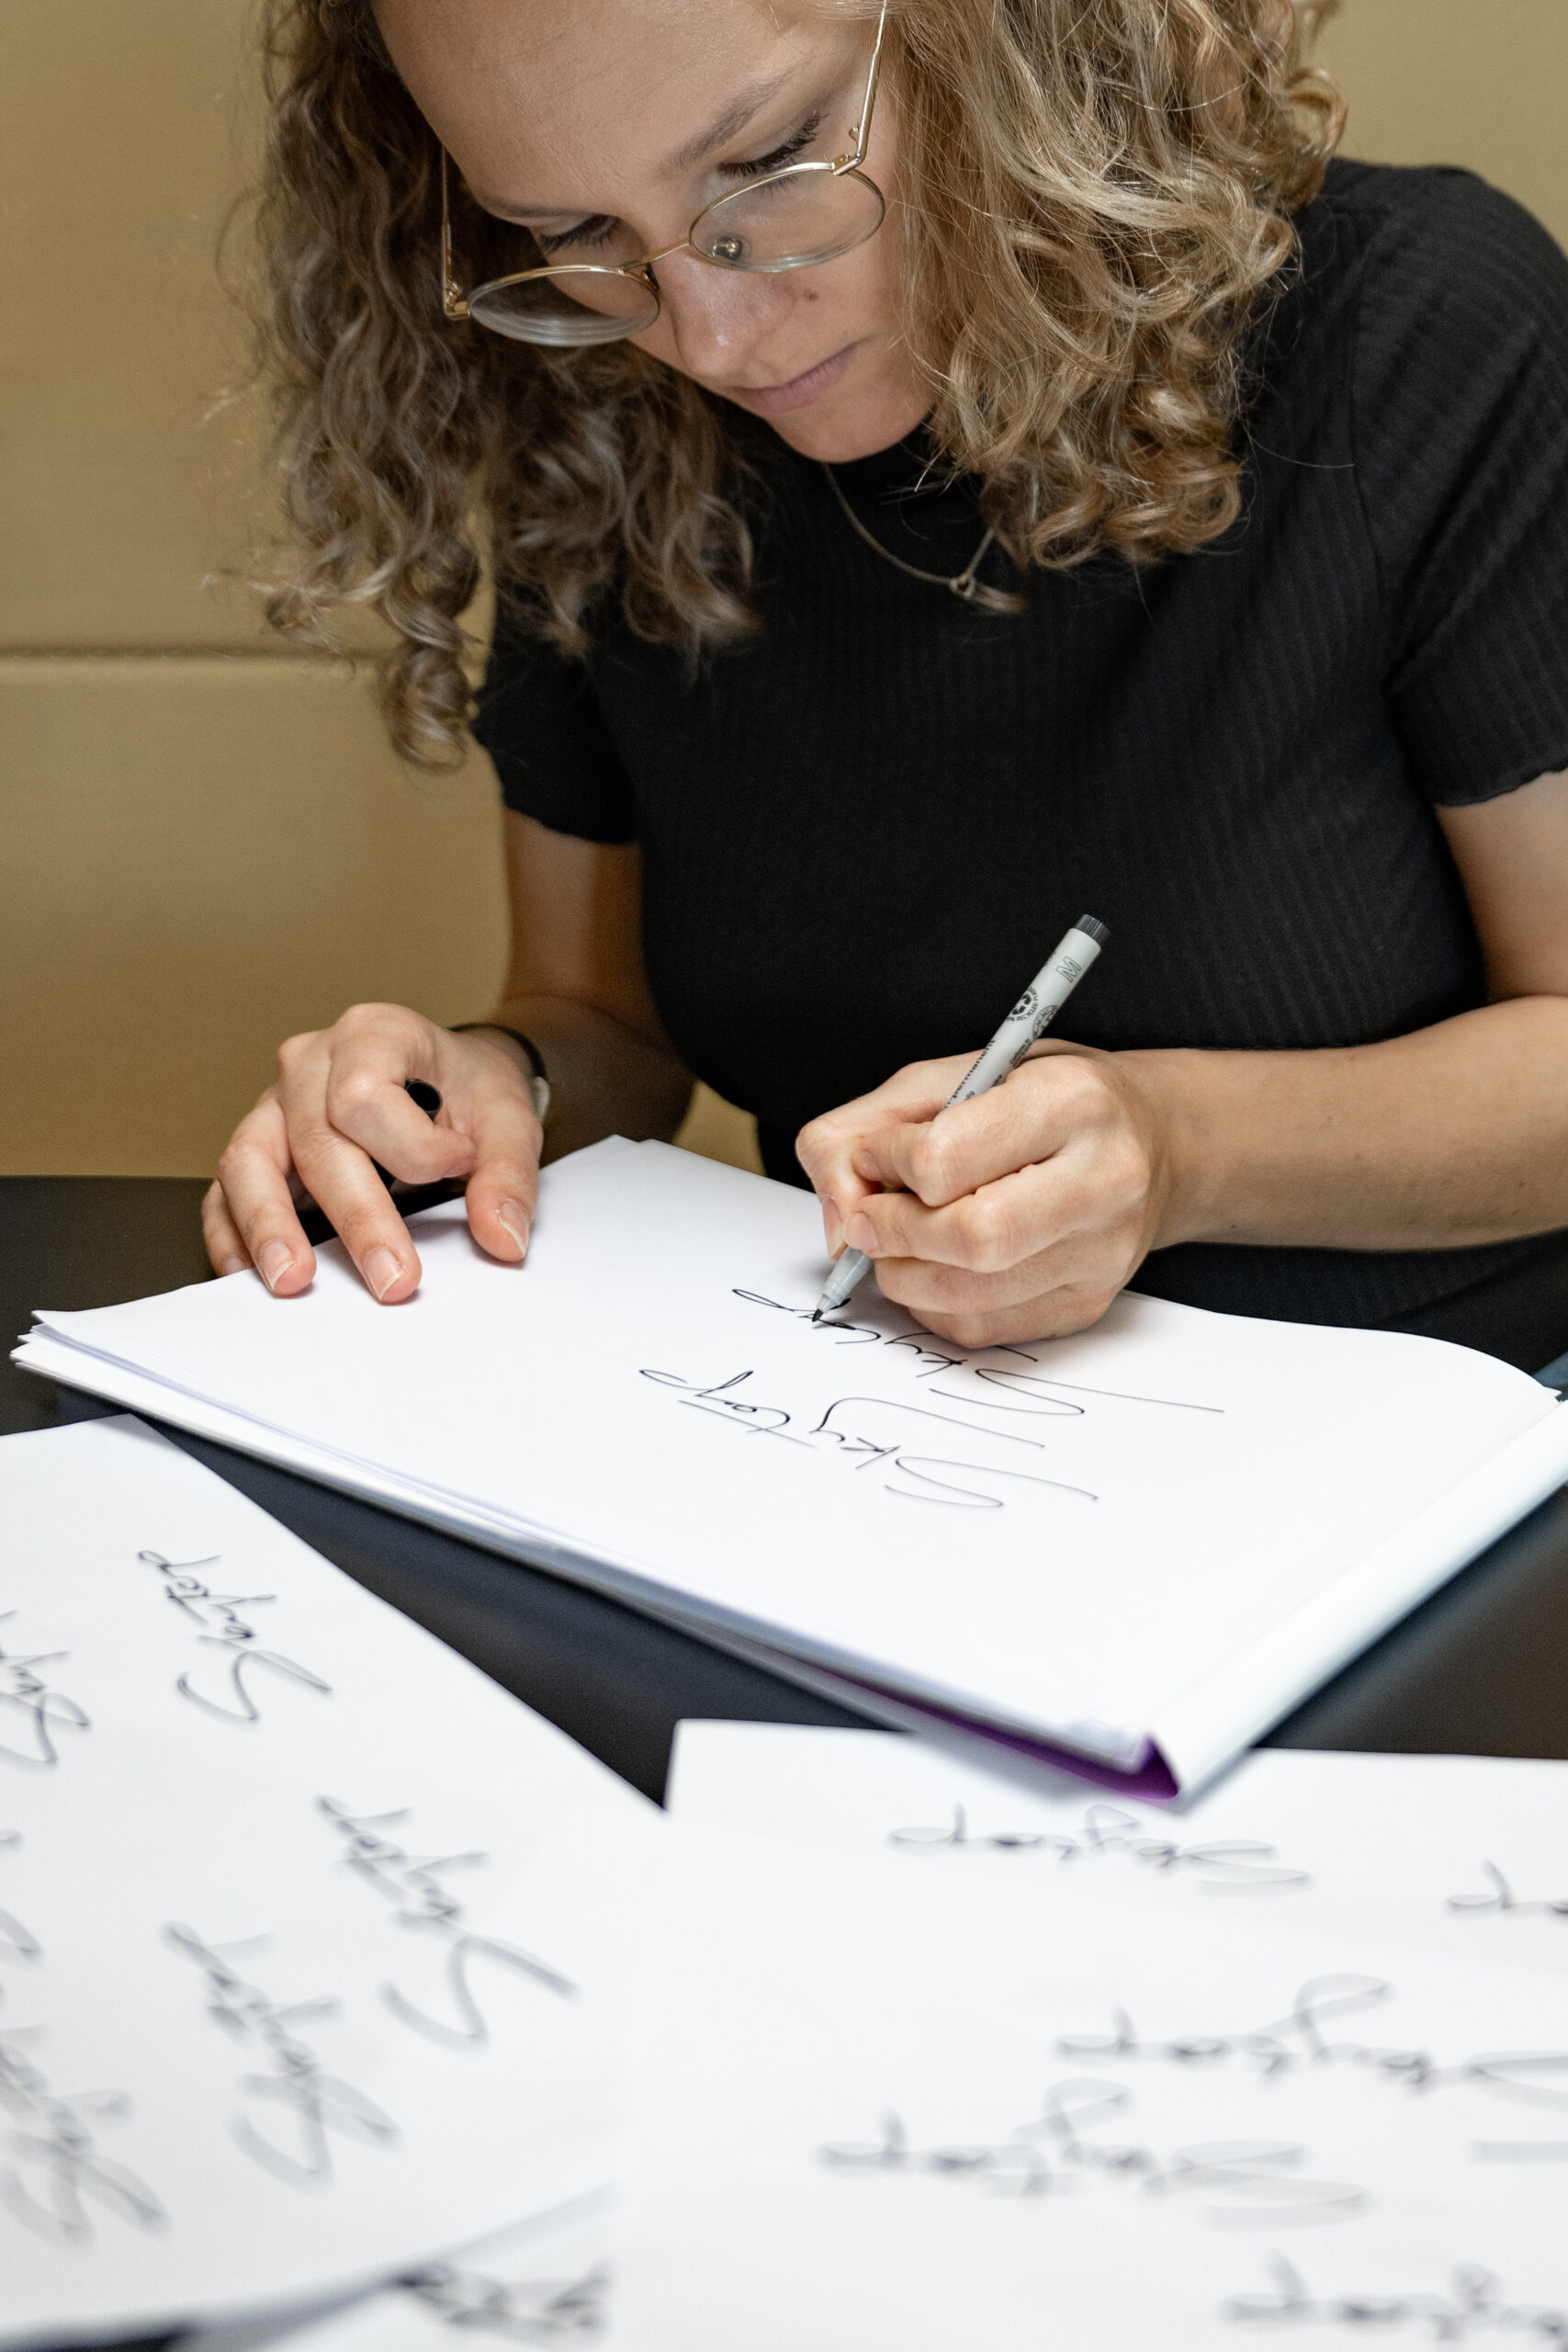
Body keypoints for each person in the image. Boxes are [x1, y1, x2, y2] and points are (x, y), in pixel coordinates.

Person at [205, 0, 1568, 1367]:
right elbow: (605, 1022)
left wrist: (1182, 1146)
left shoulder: (1421, 333)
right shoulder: (606, 424)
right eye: (574, 231)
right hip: (865, 1419)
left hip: (1449, 1416)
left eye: (768, 162)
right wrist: (487, 1085)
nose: (710, 337)